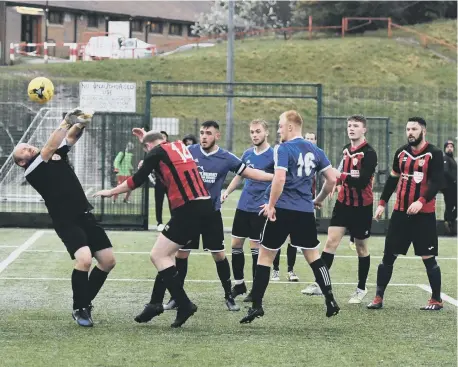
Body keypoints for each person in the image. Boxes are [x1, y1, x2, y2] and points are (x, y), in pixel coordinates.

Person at [134, 121, 273, 313]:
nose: (204, 136)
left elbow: (250, 173)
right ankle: (176, 298)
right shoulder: (187, 151)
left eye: (208, 133)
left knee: (219, 255)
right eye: (201, 132)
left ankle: (228, 296)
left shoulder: (226, 157)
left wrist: (276, 177)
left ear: (217, 135)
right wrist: (147, 141)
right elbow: (162, 150)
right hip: (188, 214)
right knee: (181, 254)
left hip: (211, 214)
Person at [95, 130, 213, 328]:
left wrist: (111, 192)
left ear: (148, 146)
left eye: (145, 148)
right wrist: (146, 140)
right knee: (166, 254)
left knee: (158, 255)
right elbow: (159, 151)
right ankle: (155, 303)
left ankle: (184, 304)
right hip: (204, 206)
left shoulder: (155, 152)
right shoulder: (178, 146)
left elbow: (136, 180)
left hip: (188, 208)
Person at [13, 108, 116, 328]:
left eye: (26, 144)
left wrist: (82, 123)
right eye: (22, 150)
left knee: (108, 261)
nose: (27, 146)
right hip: (66, 221)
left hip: (85, 215)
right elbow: (50, 146)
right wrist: (65, 121)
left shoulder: (55, 154)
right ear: (21, 162)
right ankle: (79, 308)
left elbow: (70, 138)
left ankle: (84, 303)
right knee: (85, 259)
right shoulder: (32, 169)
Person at [240, 110, 340, 324]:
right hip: (304, 211)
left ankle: (256, 306)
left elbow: (280, 179)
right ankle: (330, 299)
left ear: (291, 127)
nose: (278, 130)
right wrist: (319, 199)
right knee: (313, 256)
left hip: (283, 209)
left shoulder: (283, 149)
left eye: (280, 125)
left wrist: (271, 205)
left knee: (265, 256)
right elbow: (332, 179)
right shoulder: (316, 150)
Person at [368, 117, 445, 311]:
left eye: (414, 129)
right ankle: (378, 297)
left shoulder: (434, 154)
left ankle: (436, 300)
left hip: (424, 215)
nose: (410, 132)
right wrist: (382, 203)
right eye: (408, 129)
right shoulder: (401, 153)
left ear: (423, 131)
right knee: (388, 256)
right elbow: (393, 180)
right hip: (400, 214)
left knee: (428, 257)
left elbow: (436, 183)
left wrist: (421, 201)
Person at [302, 115, 377, 304]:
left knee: (361, 247)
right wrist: (334, 185)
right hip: (343, 204)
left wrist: (340, 176)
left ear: (364, 130)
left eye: (356, 126)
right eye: (349, 125)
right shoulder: (346, 150)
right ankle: (321, 284)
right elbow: (339, 173)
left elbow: (361, 181)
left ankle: (361, 288)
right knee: (330, 243)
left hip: (362, 207)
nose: (351, 129)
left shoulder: (369, 153)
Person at [222, 119, 274, 302]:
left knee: (255, 248)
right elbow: (239, 175)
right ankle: (240, 284)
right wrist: (226, 192)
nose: (254, 135)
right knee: (236, 244)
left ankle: (255, 290)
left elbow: (279, 180)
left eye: (258, 131)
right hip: (243, 205)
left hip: (260, 208)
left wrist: (270, 202)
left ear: (266, 133)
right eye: (252, 132)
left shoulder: (274, 155)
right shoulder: (247, 154)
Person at [271, 131, 321, 282]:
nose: (310, 141)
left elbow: (322, 179)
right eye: (308, 139)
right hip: (285, 202)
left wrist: (317, 198)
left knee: (295, 241)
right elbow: (278, 176)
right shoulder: (287, 151)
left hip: (304, 203)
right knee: (277, 241)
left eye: (313, 139)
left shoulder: (314, 156)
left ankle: (290, 271)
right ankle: (275, 270)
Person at [154, 131, 171, 231]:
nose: (163, 139)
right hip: (159, 181)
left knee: (173, 202)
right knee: (158, 202)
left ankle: (173, 222)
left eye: (164, 137)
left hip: (171, 183)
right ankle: (159, 222)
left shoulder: (171, 149)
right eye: (161, 137)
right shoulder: (155, 150)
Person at [442, 139, 457, 235]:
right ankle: (448, 222)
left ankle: (449, 222)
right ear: (445, 149)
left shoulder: (452, 160)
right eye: (448, 147)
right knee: (449, 206)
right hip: (448, 187)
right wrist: (454, 180)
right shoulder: (445, 158)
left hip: (453, 187)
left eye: (451, 147)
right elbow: (445, 171)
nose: (450, 148)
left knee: (451, 206)